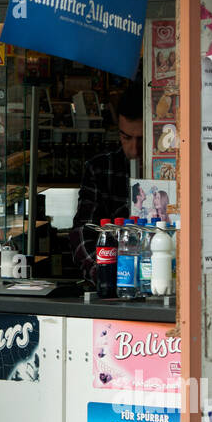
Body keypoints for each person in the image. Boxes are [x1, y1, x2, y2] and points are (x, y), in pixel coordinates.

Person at [70, 83, 144, 285]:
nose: (134, 149)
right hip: (112, 280)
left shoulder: (172, 170)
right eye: (126, 137)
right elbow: (83, 232)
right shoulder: (101, 169)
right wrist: (103, 273)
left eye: (142, 139)